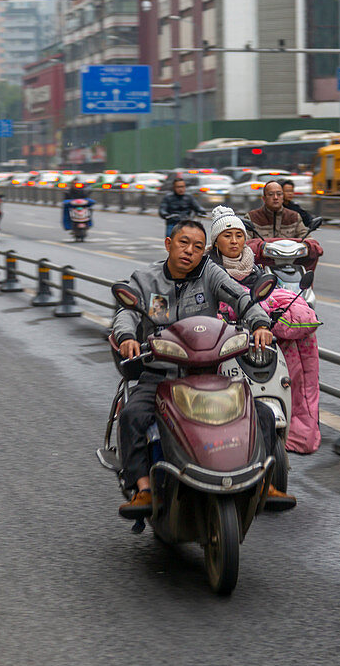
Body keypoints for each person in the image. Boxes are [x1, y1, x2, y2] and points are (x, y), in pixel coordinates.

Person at [112, 219, 295, 518]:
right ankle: (142, 488)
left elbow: (242, 297)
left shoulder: (210, 274)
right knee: (133, 416)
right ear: (169, 244)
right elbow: (127, 312)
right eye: (183, 243)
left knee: (259, 413)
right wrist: (128, 337)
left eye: (198, 247)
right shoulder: (146, 279)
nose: (190, 251)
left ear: (204, 252)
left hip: (208, 375)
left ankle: (263, 484)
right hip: (160, 374)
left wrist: (260, 324)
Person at [207, 205, 259, 287]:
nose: (234, 241)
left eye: (239, 236)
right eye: (227, 236)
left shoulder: (255, 270)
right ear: (216, 242)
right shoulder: (205, 269)